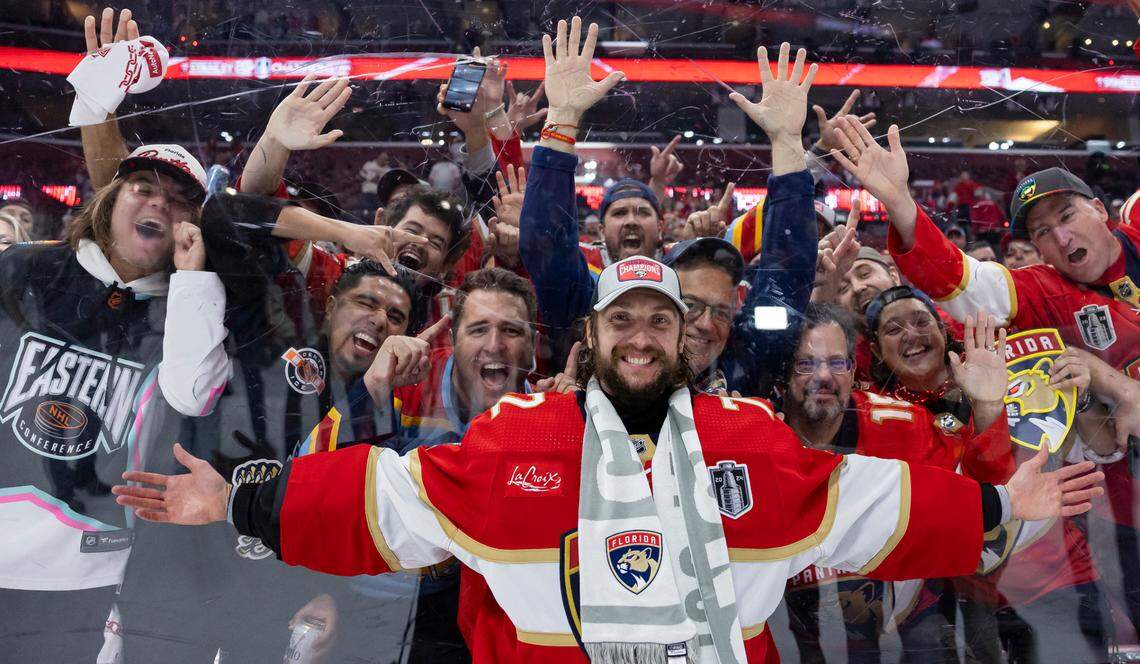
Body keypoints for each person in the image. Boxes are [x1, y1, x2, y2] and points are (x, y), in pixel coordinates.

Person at [115, 245, 1103, 664]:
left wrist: (998, 503)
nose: (640, 336)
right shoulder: (513, 441)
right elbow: (388, 497)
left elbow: (870, 506)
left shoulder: (752, 441)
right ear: (589, 338)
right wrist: (239, 505)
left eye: (658, 322)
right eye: (621, 319)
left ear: (684, 340)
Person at [828, 119, 1140, 655]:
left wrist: (1117, 381)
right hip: (1119, 515)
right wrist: (901, 203)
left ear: (1101, 209)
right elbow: (960, 281)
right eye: (1040, 232)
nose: (1060, 238)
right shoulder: (1042, 291)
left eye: (1066, 216)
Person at [0, 144, 231, 660]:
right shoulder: (24, 268)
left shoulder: (191, 308)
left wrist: (193, 277)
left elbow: (192, 396)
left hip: (87, 575)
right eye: (143, 189)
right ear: (109, 200)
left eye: (177, 201)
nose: (158, 206)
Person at [779, 303, 1014, 663]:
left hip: (908, 613)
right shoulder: (756, 432)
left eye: (837, 363)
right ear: (783, 374)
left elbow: (976, 491)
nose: (823, 376)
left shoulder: (904, 426)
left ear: (853, 369)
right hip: (800, 631)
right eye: (805, 364)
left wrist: (987, 407)